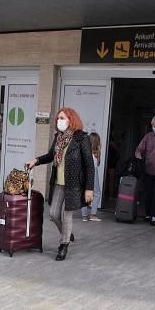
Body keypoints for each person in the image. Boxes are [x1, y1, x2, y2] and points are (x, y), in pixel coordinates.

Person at [26, 107, 94, 261]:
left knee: (67, 214)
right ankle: (67, 233)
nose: (59, 121)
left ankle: (63, 245)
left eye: (62, 118)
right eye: (58, 118)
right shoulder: (58, 137)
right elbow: (50, 156)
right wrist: (35, 161)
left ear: (71, 119)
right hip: (58, 182)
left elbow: (89, 164)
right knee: (53, 214)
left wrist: (89, 188)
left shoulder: (81, 138)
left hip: (73, 183)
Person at [81, 132, 103, 222]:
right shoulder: (96, 153)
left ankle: (84, 216)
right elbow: (97, 164)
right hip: (93, 174)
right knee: (97, 193)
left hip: (84, 174)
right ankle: (93, 215)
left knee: (84, 193)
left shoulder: (83, 151)